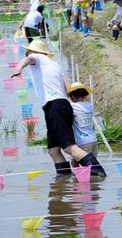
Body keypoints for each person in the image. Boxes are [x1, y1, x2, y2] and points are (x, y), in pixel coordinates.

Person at [11, 39, 105, 177]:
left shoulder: (37, 57)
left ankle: (99, 173)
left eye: (28, 51)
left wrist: (19, 68)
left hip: (55, 106)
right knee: (53, 150)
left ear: (35, 51)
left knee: (69, 148)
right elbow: (66, 86)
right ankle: (64, 180)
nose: (27, 53)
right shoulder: (54, 64)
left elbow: (29, 59)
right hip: (56, 106)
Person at [67, 82, 98, 167]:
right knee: (91, 166)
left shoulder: (72, 106)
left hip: (82, 142)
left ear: (72, 96)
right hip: (93, 141)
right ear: (84, 95)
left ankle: (78, 180)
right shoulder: (89, 106)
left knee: (79, 166)